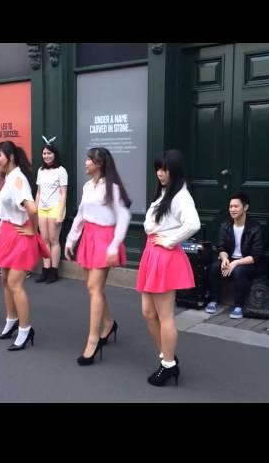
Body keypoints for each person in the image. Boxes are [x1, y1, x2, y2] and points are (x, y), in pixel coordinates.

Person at [137, 150, 200, 386]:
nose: (160, 173)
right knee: (148, 312)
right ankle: (167, 355)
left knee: (164, 316)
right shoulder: (164, 193)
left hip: (164, 256)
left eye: (165, 169)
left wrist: (170, 240)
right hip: (153, 254)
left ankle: (168, 364)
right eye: (158, 169)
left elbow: (193, 224)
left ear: (175, 170)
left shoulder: (181, 196)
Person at [65, 147, 131, 366]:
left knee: (94, 288)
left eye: (89, 160)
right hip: (89, 237)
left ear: (99, 164)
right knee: (93, 289)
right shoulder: (87, 186)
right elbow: (81, 214)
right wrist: (71, 239)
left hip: (104, 239)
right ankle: (109, 322)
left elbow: (123, 217)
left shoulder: (112, 189)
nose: (85, 163)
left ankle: (93, 341)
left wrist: (114, 245)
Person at [0, 140, 49, 351]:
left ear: (10, 157)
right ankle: (11, 321)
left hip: (20, 235)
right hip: (8, 232)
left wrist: (33, 229)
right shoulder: (10, 177)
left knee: (14, 283)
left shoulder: (18, 179)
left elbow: (32, 208)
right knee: (5, 280)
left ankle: (25, 329)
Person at [205, 191, 266, 319]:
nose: (232, 209)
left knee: (239, 272)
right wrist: (224, 259)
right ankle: (213, 300)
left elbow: (256, 256)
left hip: (248, 262)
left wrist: (235, 263)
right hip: (231, 259)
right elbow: (221, 247)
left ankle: (239, 305)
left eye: (236, 206)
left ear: (245, 208)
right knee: (215, 267)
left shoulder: (255, 227)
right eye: (230, 206)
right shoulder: (226, 225)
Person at [35, 141, 68, 284]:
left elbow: (63, 193)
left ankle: (54, 271)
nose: (46, 156)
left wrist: (60, 213)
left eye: (49, 153)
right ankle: (45, 270)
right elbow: (39, 192)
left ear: (54, 154)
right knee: (44, 240)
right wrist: (35, 211)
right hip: (42, 208)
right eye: (44, 153)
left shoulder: (61, 170)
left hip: (55, 207)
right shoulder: (40, 171)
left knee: (54, 240)